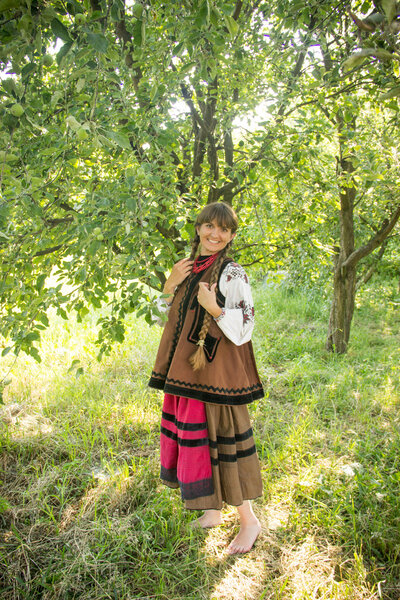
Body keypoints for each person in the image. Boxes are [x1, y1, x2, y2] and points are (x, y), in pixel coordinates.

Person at [149, 202, 264, 554]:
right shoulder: (188, 268)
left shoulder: (231, 274)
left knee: (223, 442)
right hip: (186, 373)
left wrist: (215, 308)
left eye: (224, 229)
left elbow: (244, 329)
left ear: (231, 235)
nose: (215, 234)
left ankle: (250, 522)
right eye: (209, 226)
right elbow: (164, 320)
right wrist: (169, 286)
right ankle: (211, 511)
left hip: (215, 378)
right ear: (198, 228)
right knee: (196, 442)